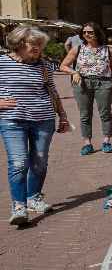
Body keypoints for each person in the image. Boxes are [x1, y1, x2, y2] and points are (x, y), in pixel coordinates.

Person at [0, 25, 72, 224]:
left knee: (39, 162)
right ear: (20, 43)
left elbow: (53, 92)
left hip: (43, 119)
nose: (38, 48)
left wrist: (63, 116)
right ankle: (19, 206)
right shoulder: (2, 63)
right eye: (34, 44)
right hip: (12, 120)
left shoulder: (43, 65)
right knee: (19, 163)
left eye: (41, 45)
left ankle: (34, 197)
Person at [60, 21, 112, 154]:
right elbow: (63, 66)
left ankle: (106, 140)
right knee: (85, 114)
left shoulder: (109, 49)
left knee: (105, 113)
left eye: (90, 32)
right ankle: (87, 143)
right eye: (84, 32)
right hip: (82, 83)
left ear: (97, 33)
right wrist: (74, 72)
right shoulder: (78, 48)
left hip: (104, 83)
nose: (87, 34)